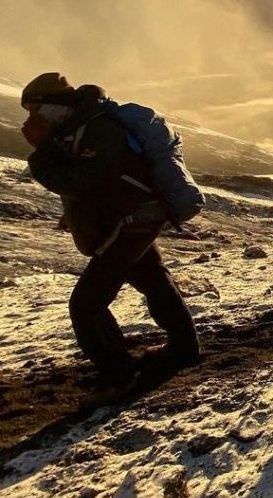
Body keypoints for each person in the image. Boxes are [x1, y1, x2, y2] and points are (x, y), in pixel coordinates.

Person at [20, 73, 200, 403]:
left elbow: (84, 181)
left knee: (86, 304)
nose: (32, 119)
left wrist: (42, 151)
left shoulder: (98, 131)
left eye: (36, 110)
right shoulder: (83, 127)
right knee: (152, 278)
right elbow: (97, 182)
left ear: (57, 106)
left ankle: (119, 376)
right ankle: (184, 347)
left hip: (129, 223)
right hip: (136, 218)